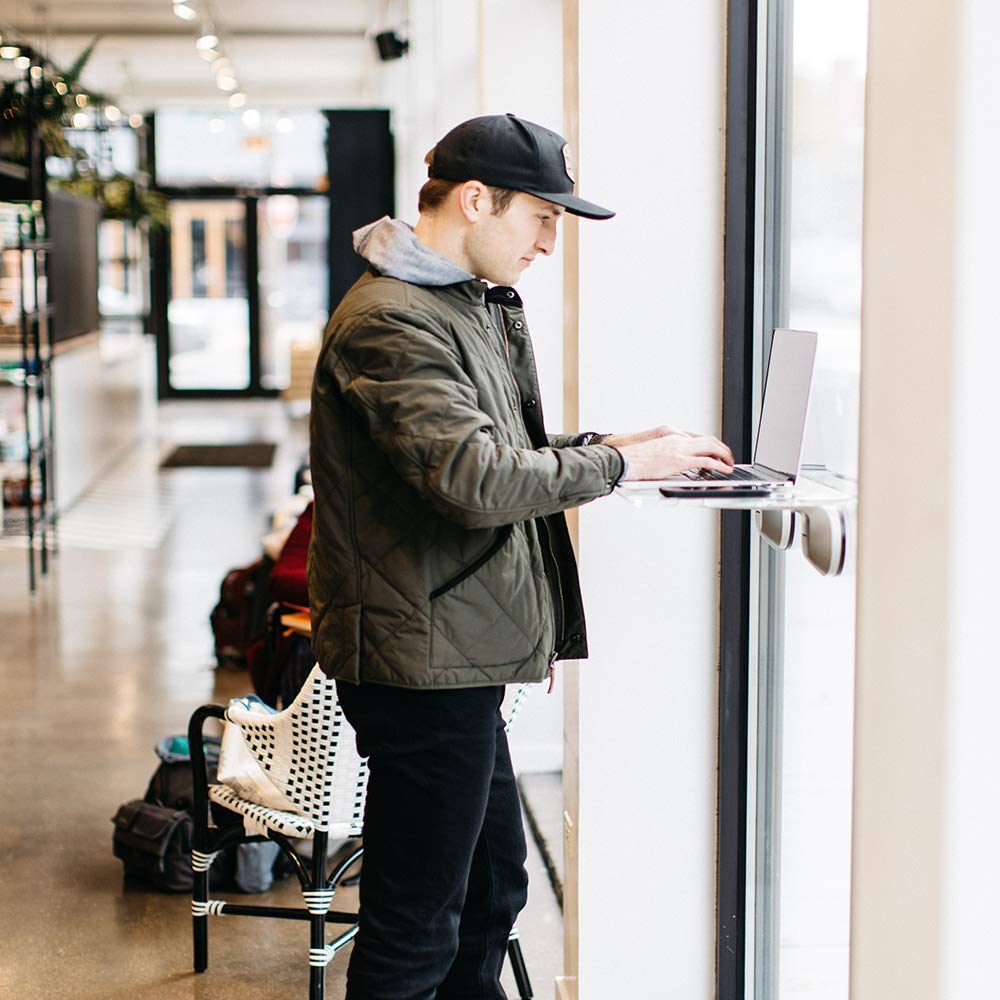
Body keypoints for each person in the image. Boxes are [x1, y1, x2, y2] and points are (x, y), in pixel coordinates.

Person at [307, 113, 733, 1000]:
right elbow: (473, 480)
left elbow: (493, 449)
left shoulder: (457, 303)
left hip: (450, 651)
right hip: (420, 665)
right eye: (541, 217)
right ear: (476, 200)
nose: (548, 242)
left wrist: (605, 445)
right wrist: (622, 468)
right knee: (416, 924)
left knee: (492, 886)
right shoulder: (393, 319)